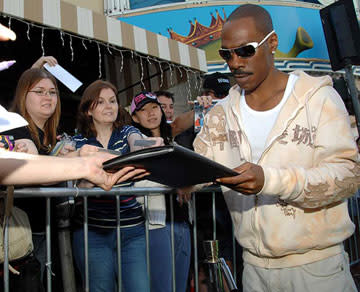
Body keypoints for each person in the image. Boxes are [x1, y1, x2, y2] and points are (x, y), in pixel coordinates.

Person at [189, 4, 359, 291]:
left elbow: (347, 176)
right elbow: (196, 168)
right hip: (254, 270)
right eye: (226, 53)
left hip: (317, 270)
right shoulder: (221, 114)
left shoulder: (318, 100)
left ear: (273, 43)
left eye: (245, 50)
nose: (235, 62)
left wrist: (270, 180)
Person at [71, 80, 154, 292]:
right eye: (101, 102)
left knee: (140, 288)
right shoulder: (79, 142)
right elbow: (76, 183)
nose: (109, 107)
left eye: (113, 101)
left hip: (132, 230)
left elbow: (137, 143)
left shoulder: (127, 132)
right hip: (93, 232)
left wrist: (150, 145)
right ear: (88, 109)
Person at [131, 91, 191, 292]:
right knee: (162, 285)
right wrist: (178, 182)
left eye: (154, 107)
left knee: (180, 284)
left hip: (182, 220)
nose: (151, 113)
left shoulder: (173, 140)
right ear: (134, 117)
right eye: (143, 110)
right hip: (155, 223)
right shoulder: (135, 141)